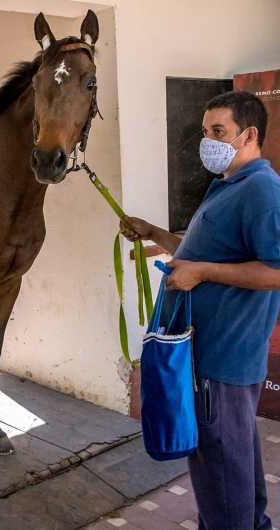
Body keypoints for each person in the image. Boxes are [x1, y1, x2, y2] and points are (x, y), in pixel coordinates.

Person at [122, 91, 278, 529]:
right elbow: (202, 253)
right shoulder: (229, 186)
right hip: (213, 358)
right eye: (205, 131)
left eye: (218, 132)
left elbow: (276, 269)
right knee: (235, 464)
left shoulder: (261, 191)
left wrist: (202, 274)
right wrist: (153, 232)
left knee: (221, 475)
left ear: (249, 134)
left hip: (221, 359)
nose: (206, 141)